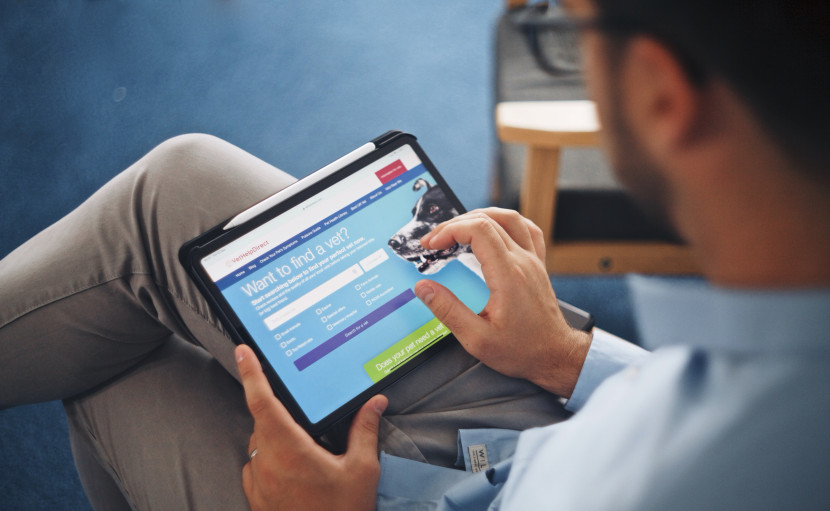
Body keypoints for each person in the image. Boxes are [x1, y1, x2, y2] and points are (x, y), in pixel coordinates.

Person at [2, 0, 829, 509]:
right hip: (541, 417)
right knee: (176, 187)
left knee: (118, 372)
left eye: (569, 29)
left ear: (660, 92)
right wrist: (570, 355)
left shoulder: (689, 478)